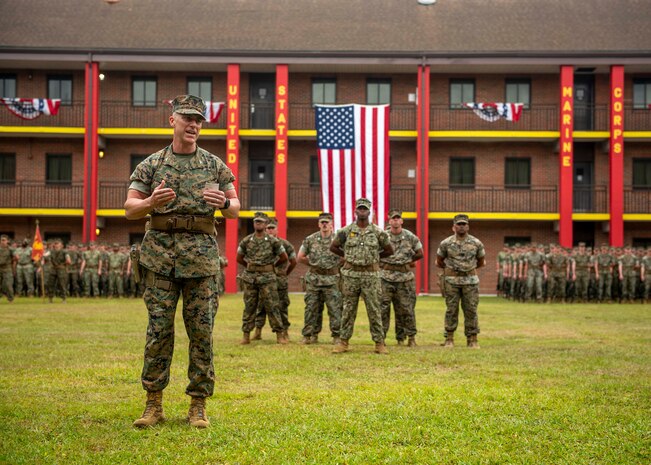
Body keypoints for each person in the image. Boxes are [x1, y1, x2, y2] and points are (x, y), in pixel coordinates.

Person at [125, 94, 240, 428]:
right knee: (158, 331)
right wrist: (150, 201)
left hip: (201, 262)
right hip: (160, 259)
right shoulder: (151, 165)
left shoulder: (215, 165)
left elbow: (235, 207)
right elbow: (130, 209)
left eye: (198, 120)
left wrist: (224, 203)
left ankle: (198, 405)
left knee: (201, 332)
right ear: (172, 120)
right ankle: (153, 404)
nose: (193, 124)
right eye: (187, 118)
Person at [330, 198, 394, 355]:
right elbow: (333, 247)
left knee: (374, 308)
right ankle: (343, 342)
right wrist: (346, 256)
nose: (362, 211)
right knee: (348, 308)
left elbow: (389, 250)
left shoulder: (378, 232)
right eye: (360, 208)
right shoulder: (345, 231)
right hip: (351, 274)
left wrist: (375, 258)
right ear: (355, 211)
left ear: (369, 211)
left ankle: (379, 343)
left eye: (365, 209)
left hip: (371, 275)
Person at [236, 212, 288, 345]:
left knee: (273, 306)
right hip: (250, 278)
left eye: (260, 222)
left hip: (268, 278)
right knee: (249, 306)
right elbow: (239, 258)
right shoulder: (247, 240)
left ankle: (280, 335)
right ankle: (246, 335)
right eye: (255, 221)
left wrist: (271, 267)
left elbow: (284, 258)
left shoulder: (273, 241)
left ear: (265, 224)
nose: (257, 223)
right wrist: (249, 266)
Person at [436, 214, 485, 349]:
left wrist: (467, 270)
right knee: (451, 309)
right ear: (454, 227)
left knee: (471, 309)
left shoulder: (476, 243)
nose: (461, 227)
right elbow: (439, 261)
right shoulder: (446, 243)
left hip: (470, 281)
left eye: (464, 224)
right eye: (459, 224)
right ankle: (449, 338)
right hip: (451, 281)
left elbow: (481, 261)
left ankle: (472, 339)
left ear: (468, 226)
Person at [296, 212, 342, 345]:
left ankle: (337, 336)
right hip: (314, 279)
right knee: (312, 307)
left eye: (327, 222)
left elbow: (345, 256)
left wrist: (334, 266)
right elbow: (300, 257)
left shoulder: (338, 239)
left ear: (331, 224)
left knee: (334, 308)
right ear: (318, 224)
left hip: (332, 279)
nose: (324, 224)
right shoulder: (311, 239)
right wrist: (315, 265)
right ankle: (309, 335)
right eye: (322, 222)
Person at [379, 210, 423, 346]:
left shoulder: (410, 236)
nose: (396, 221)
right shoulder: (383, 236)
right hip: (386, 277)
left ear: (402, 221)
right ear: (389, 221)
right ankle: (381, 338)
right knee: (383, 309)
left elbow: (420, 253)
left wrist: (408, 260)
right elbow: (375, 252)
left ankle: (409, 338)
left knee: (406, 308)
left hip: (405, 278)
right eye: (393, 219)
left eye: (398, 218)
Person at [252, 218, 296, 340]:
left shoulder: (285, 244)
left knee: (282, 305)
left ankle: (284, 331)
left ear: (277, 229)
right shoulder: (260, 243)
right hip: (263, 278)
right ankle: (258, 331)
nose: (270, 231)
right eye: (268, 228)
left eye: (272, 228)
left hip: (279, 279)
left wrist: (285, 273)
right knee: (261, 305)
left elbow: (293, 261)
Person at [47, 238, 71, 303]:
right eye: (55, 244)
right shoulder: (51, 251)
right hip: (53, 269)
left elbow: (68, 259)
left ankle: (64, 299)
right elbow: (45, 255)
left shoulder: (64, 251)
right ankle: (50, 298)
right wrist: (41, 256)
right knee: (51, 284)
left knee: (62, 284)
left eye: (58, 244)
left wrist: (68, 260)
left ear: (61, 245)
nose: (56, 245)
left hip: (61, 269)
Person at [0, 235, 15, 302]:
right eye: (2, 240)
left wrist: (14, 269)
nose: (3, 242)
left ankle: (10, 299)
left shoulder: (10, 249)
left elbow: (15, 258)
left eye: (4, 240)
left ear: (7, 241)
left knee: (8, 284)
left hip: (7, 269)